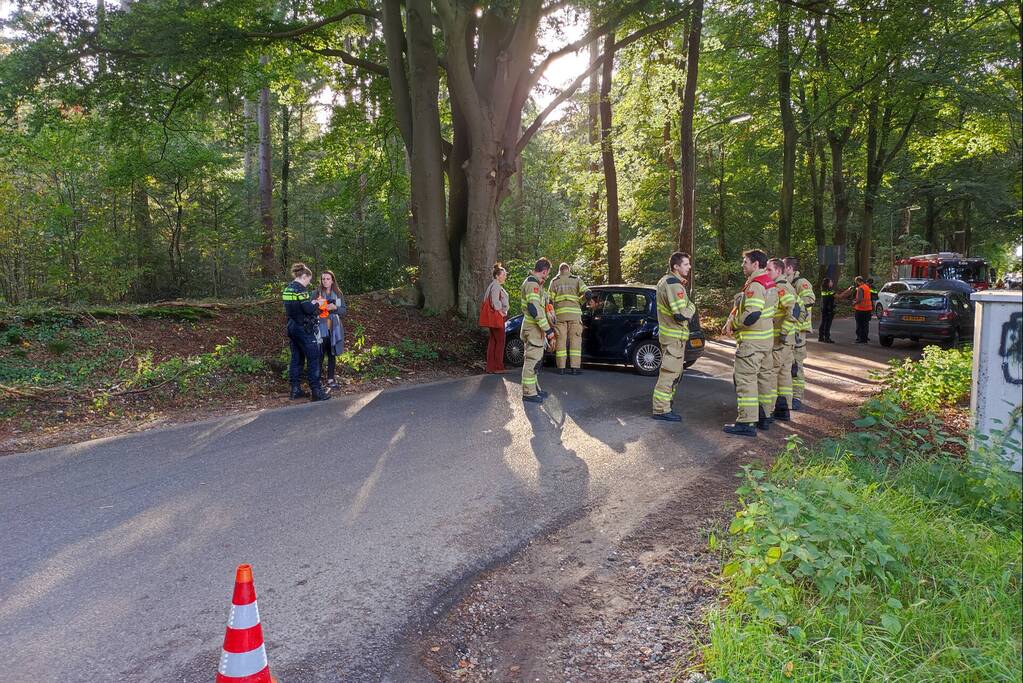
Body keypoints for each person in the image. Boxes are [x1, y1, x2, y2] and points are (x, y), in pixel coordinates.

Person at [723, 249, 778, 437]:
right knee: (764, 380)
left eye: (745, 262)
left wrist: (735, 324)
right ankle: (764, 417)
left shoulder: (756, 285)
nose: (742, 265)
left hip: (752, 344)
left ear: (755, 264)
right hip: (765, 342)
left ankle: (746, 422)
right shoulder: (770, 283)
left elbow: (753, 314)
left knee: (746, 380)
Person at [651, 251, 697, 422]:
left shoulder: (667, 281)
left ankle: (665, 405)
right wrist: (691, 307)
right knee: (669, 374)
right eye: (686, 264)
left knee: (674, 374)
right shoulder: (673, 284)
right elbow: (680, 315)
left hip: (672, 337)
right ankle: (661, 409)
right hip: (674, 338)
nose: (689, 267)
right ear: (676, 267)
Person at [282, 263, 330, 402]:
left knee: (296, 358)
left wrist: (311, 302)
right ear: (304, 276)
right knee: (314, 357)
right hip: (303, 328)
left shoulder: (288, 289)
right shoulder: (300, 290)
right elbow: (308, 309)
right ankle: (316, 391)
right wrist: (317, 303)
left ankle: (295, 390)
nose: (309, 283)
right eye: (308, 279)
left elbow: (298, 307)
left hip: (292, 326)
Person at [766, 258, 799, 424]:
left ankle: (769, 411)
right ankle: (783, 409)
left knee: (772, 373)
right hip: (788, 341)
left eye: (769, 270)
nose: (766, 273)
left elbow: (794, 310)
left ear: (778, 271)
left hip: (780, 340)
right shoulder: (787, 285)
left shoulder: (780, 287)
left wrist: (784, 332)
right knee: (784, 375)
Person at [520, 258, 555, 403]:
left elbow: (541, 308)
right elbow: (534, 309)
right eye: (547, 274)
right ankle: (529, 393)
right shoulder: (532, 284)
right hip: (533, 329)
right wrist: (548, 331)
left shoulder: (536, 284)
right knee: (532, 361)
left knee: (536, 362)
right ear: (544, 271)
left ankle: (535, 389)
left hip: (535, 329)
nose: (546, 277)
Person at [547, 262, 590, 375]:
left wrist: (551, 317)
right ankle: (575, 368)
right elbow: (588, 293)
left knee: (560, 341)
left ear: (560, 271)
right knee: (575, 342)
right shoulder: (576, 280)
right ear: (569, 270)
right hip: (574, 316)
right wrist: (581, 300)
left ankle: (561, 368)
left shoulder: (554, 281)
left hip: (560, 316)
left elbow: (549, 301)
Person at [785, 257, 815, 411]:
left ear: (789, 268)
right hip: (790, 330)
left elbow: (810, 298)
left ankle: (797, 397)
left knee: (797, 365)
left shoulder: (801, 282)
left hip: (798, 331)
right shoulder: (788, 283)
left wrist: (794, 303)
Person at [314, 270, 347, 390]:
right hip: (320, 328)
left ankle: (331, 379)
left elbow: (343, 311)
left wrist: (335, 307)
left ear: (332, 280)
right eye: (323, 279)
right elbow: (310, 310)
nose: (325, 281)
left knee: (332, 354)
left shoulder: (338, 294)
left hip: (334, 329)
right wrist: (319, 306)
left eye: (328, 279)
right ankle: (316, 380)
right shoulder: (316, 293)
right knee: (320, 355)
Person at [482, 262, 510, 373]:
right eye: (503, 275)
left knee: (493, 341)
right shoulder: (496, 286)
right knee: (500, 341)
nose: (505, 276)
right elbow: (494, 301)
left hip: (494, 317)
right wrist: (501, 312)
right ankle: (498, 367)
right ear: (497, 276)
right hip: (497, 317)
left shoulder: (493, 285)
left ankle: (491, 367)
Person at [851, 276, 873, 343]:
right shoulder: (866, 287)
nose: (856, 283)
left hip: (861, 309)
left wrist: (854, 303)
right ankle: (865, 339)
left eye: (856, 282)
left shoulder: (860, 288)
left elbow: (860, 299)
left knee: (860, 324)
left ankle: (860, 339)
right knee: (865, 324)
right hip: (868, 309)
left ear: (858, 281)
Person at [818, 278, 836, 343]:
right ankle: (827, 338)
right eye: (831, 281)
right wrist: (848, 290)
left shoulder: (823, 290)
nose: (832, 283)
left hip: (824, 308)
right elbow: (840, 297)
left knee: (823, 323)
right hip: (829, 309)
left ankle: (821, 337)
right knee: (828, 324)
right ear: (828, 283)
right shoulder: (830, 291)